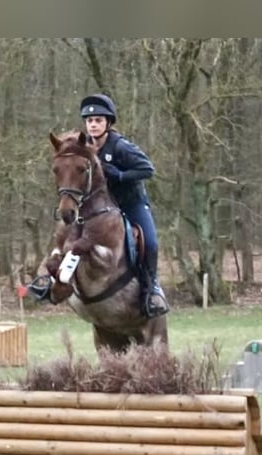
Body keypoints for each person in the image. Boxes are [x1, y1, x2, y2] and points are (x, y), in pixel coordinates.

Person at [79, 93, 169, 318]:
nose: (93, 124)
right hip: (100, 208)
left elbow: (147, 169)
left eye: (98, 120)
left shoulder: (121, 147)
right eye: (90, 121)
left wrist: (119, 175)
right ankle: (54, 280)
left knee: (150, 243)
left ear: (108, 123)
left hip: (131, 203)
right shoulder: (85, 147)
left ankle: (151, 290)